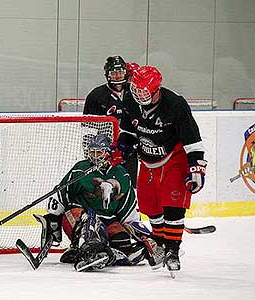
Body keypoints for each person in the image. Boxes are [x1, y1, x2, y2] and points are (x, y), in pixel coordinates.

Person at [118, 65, 207, 273]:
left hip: (173, 159)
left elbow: (193, 141)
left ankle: (173, 250)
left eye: (143, 92)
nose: (138, 95)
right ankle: (160, 241)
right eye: (135, 90)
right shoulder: (130, 100)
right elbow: (128, 131)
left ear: (155, 89)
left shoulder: (175, 105)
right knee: (151, 208)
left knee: (172, 204)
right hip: (147, 162)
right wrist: (123, 145)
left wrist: (197, 168)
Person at [37, 134, 160, 272]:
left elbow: (129, 211)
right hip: (80, 215)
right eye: (92, 151)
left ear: (108, 152)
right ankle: (89, 251)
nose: (95, 156)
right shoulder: (81, 168)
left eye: (99, 152)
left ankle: (108, 254)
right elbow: (62, 193)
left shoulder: (122, 174)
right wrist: (53, 220)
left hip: (108, 218)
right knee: (91, 224)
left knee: (122, 240)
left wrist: (148, 238)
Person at [83, 56, 139, 188]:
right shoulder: (96, 96)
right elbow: (88, 129)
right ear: (107, 75)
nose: (118, 76)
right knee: (105, 186)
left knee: (129, 184)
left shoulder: (135, 93)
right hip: (106, 151)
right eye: (114, 73)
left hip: (129, 148)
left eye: (120, 72)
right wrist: (90, 154)